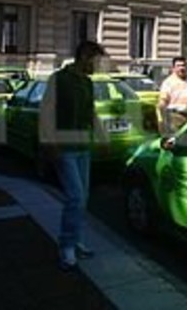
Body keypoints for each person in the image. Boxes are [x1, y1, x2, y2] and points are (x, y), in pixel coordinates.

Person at [39, 41, 107, 271]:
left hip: (82, 147)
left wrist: (102, 138)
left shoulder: (87, 83)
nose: (98, 66)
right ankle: (66, 245)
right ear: (85, 57)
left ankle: (75, 239)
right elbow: (46, 111)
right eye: (96, 61)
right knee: (75, 197)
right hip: (64, 147)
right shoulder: (58, 79)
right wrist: (49, 143)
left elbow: (91, 113)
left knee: (83, 197)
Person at [157, 56, 187, 135]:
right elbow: (162, 102)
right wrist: (163, 121)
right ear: (173, 68)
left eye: (183, 65)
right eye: (178, 66)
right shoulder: (168, 83)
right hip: (173, 117)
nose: (181, 68)